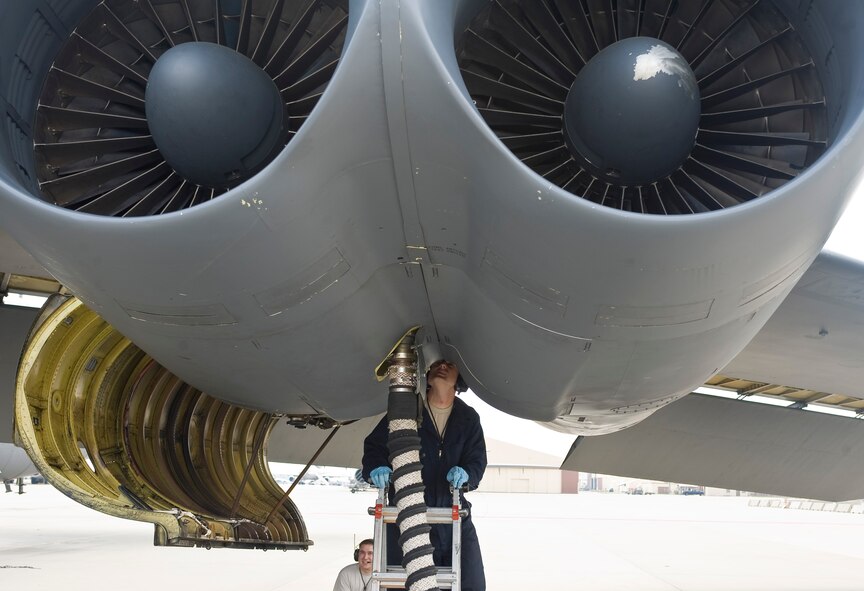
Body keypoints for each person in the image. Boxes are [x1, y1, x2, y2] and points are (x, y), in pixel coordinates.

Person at [362, 358, 487, 591]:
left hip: (453, 516)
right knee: (400, 585)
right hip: (408, 516)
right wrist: (376, 468)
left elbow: (477, 462)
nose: (442, 366)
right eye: (437, 363)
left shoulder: (468, 418)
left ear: (459, 377)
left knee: (472, 584)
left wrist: (466, 474)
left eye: (450, 364)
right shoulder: (405, 412)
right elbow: (374, 448)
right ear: (426, 374)